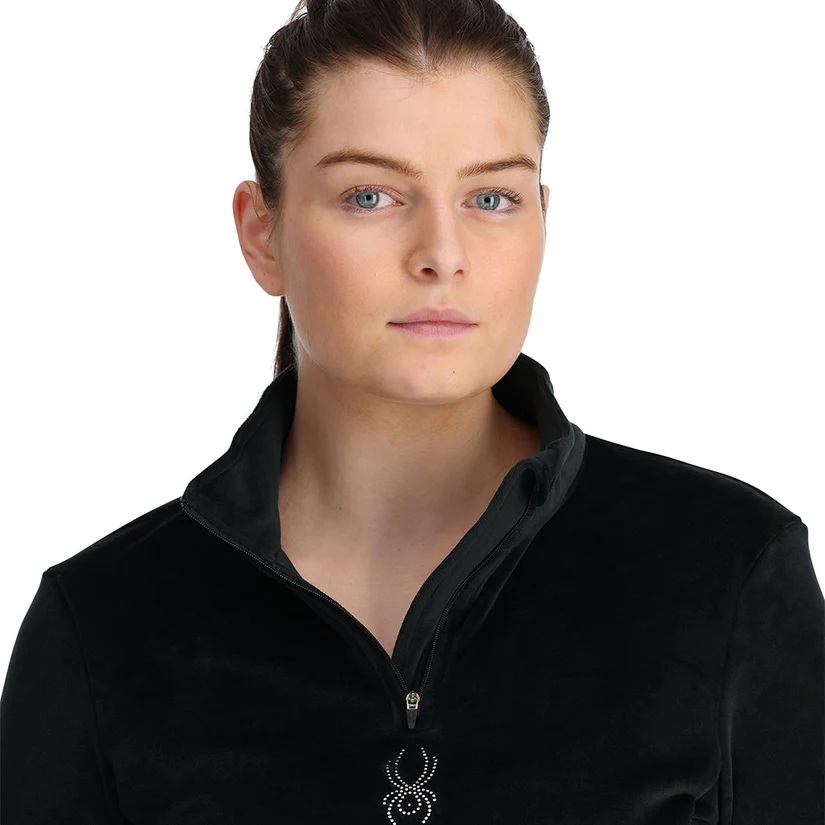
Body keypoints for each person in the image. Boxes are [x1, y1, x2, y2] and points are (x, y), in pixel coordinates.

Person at [2, 0, 822, 821]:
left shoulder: (729, 570)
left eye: (491, 198)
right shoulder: (99, 626)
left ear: (543, 219)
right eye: (370, 196)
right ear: (261, 234)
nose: (442, 254)